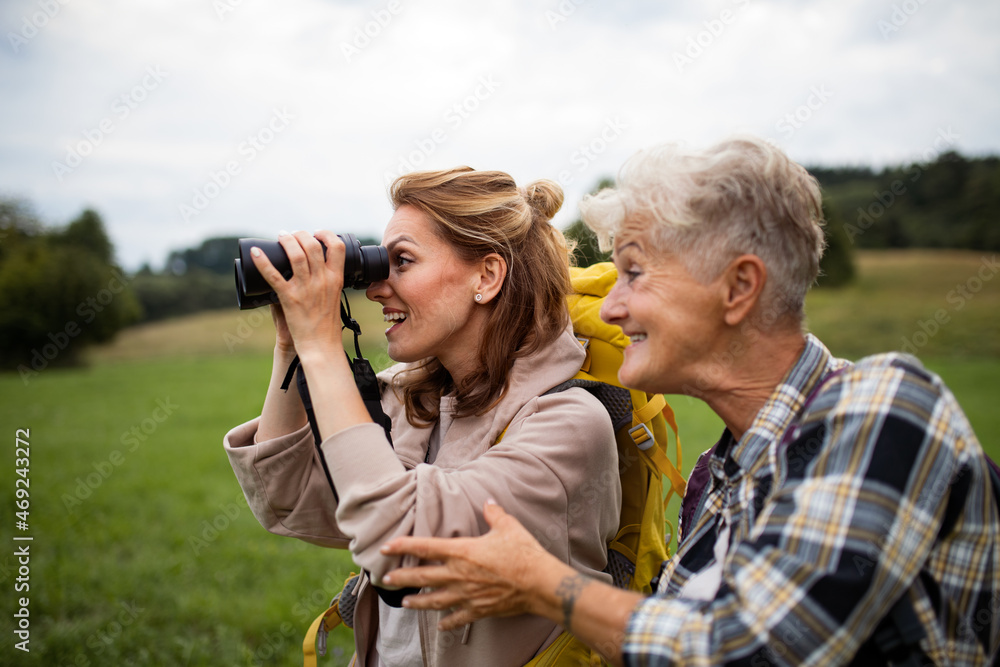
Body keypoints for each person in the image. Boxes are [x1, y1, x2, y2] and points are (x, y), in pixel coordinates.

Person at [379, 137, 1000, 666]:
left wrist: (545, 585)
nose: (612, 307)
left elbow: (747, 650)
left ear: (738, 287)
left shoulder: (885, 411)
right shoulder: (716, 479)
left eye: (635, 272)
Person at [223, 167, 621, 666]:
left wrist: (323, 347)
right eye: (380, 263)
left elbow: (402, 547)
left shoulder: (566, 424)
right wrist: (293, 344)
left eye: (402, 261)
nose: (375, 289)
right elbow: (289, 498)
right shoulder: (418, 402)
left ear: (487, 276)